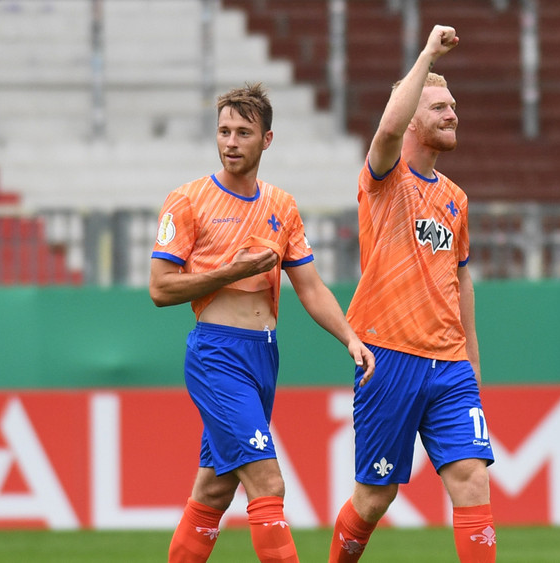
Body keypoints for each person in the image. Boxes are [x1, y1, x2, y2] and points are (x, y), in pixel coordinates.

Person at [149, 83, 375, 563]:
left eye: (243, 132)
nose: (230, 142)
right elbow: (160, 288)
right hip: (217, 355)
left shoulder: (282, 206)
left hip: (263, 356)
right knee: (268, 482)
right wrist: (233, 270)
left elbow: (310, 288)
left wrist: (349, 337)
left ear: (266, 140)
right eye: (224, 131)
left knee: (213, 490)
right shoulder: (187, 200)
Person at [327, 25, 496, 563]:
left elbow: (461, 277)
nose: (453, 114)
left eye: (453, 106)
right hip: (388, 355)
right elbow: (384, 131)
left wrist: (470, 355)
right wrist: (426, 55)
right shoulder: (384, 177)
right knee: (375, 498)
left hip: (448, 363)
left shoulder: (455, 199)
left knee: (472, 480)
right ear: (413, 119)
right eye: (440, 106)